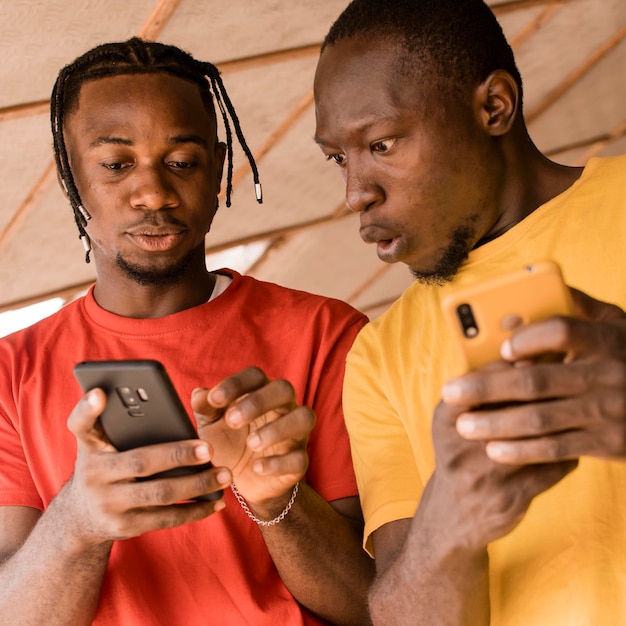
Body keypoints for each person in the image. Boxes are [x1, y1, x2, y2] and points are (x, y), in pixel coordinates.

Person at [0, 38, 375, 626]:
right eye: (116, 164)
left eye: (181, 162)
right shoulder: (10, 371)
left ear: (219, 167)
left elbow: (377, 604)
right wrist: (77, 522)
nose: (153, 193)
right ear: (71, 178)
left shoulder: (326, 333)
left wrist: (279, 501)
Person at [313, 0, 626, 624]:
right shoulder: (377, 356)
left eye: (380, 143)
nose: (355, 193)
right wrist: (447, 529)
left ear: (493, 107)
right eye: (338, 158)